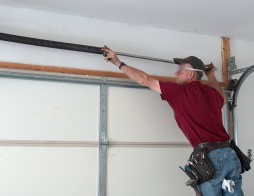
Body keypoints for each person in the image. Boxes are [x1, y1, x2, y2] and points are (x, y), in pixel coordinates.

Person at [102, 46, 243, 196]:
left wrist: (118, 63)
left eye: (180, 70)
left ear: (190, 74)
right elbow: (222, 97)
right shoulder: (213, 94)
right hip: (230, 155)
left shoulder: (180, 92)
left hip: (212, 160)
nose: (175, 73)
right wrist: (211, 76)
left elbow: (144, 79)